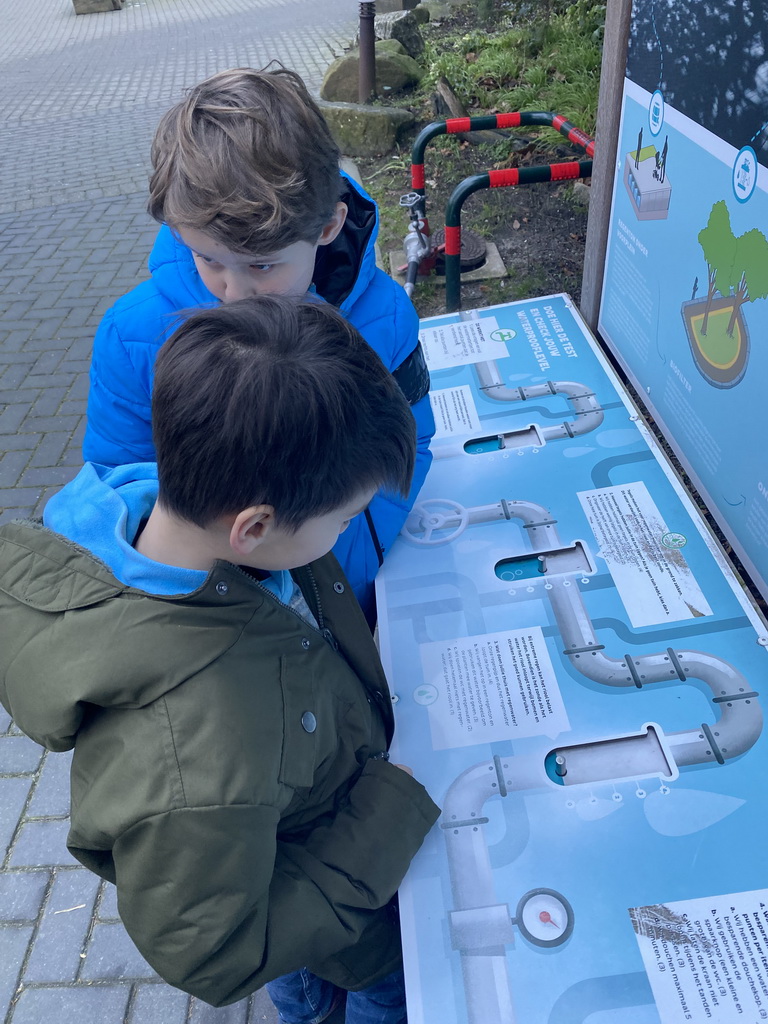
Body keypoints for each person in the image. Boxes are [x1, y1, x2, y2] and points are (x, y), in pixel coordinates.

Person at [0, 297, 440, 1021]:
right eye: (339, 520)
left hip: (326, 841)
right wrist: (384, 822)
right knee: (338, 998)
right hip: (346, 921)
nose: (341, 535)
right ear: (255, 526)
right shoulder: (189, 752)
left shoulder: (202, 521)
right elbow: (214, 947)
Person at [83, 65, 433, 624]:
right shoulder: (135, 336)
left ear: (327, 228)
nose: (233, 293)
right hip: (222, 614)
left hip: (351, 582)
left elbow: (408, 448)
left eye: (263, 264)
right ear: (180, 231)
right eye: (209, 260)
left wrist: (355, 551)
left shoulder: (385, 318)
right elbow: (118, 480)